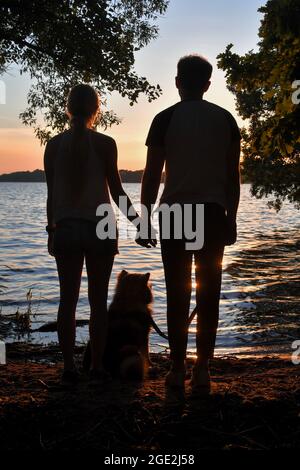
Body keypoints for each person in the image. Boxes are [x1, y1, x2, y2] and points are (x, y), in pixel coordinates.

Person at [141, 55, 241, 401]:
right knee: (209, 294)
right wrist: (233, 217)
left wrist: (143, 218)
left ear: (178, 82)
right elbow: (233, 177)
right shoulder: (226, 119)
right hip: (213, 213)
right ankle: (202, 371)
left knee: (178, 293)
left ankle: (177, 369)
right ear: (208, 85)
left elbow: (152, 174)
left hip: (175, 214)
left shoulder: (164, 119)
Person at [44, 84, 144, 384]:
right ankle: (97, 367)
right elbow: (116, 191)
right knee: (98, 302)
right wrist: (138, 223)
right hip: (100, 227)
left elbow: (52, 197)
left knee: (67, 301)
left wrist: (51, 230)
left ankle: (68, 368)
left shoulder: (52, 145)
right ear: (96, 110)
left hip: (65, 228)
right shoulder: (105, 143)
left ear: (68, 108)